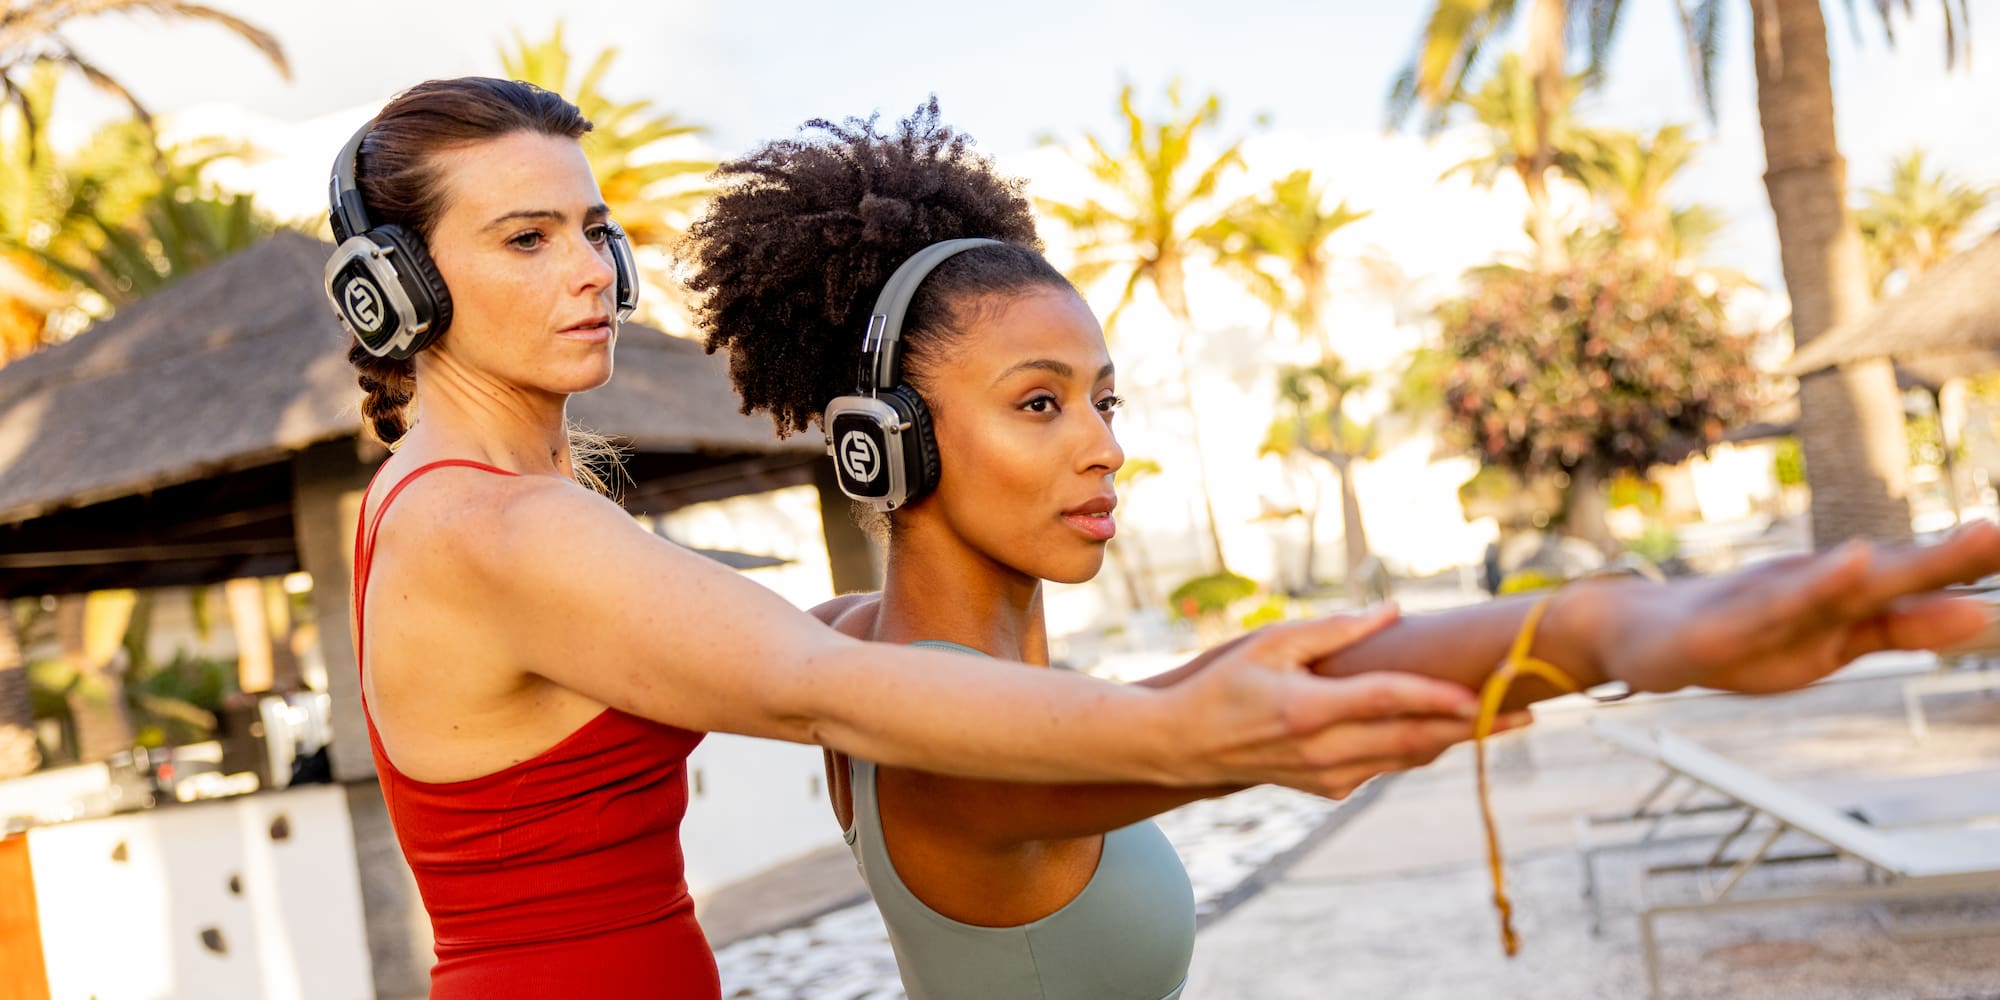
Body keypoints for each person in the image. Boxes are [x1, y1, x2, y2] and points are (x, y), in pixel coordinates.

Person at [682, 99, 2000, 999]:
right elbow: (1229, 699)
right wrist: (1609, 631)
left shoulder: (857, 657)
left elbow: (1203, 676)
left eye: (1104, 399)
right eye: (1039, 404)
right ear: (884, 446)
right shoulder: (947, 759)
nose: (1103, 447)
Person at [328, 77, 1515, 1000]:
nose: (593, 271)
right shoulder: (491, 522)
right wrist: (1189, 736)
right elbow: (810, 683)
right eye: (527, 239)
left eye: (595, 230)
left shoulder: (472, 503)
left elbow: (803, 650)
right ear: (396, 285)